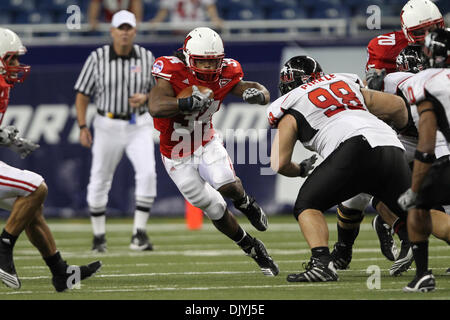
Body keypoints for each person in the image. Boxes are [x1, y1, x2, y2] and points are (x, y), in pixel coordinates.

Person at [268, 55, 411, 282]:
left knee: (308, 204)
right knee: (423, 215)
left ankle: (322, 264)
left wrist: (301, 170)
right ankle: (403, 232)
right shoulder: (345, 83)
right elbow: (397, 106)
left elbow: (278, 162)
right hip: (391, 144)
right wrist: (402, 131)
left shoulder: (291, 104)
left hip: (354, 147)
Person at [149, 27, 278, 276]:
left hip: (205, 141)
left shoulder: (228, 72)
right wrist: (183, 103)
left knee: (225, 182)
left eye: (213, 62)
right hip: (176, 154)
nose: (208, 67)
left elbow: (257, 89)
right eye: (202, 61)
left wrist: (259, 95)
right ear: (188, 57)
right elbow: (155, 105)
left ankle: (245, 203)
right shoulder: (170, 69)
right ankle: (251, 246)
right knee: (213, 207)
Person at [338, 0, 445, 272]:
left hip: (438, 131)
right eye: (421, 31)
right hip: (403, 131)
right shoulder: (385, 52)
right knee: (361, 183)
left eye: (434, 29)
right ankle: (344, 250)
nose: (428, 36)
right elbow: (373, 95)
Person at [0, 27, 101, 292]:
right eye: (11, 59)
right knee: (37, 187)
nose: (17, 65)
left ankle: (60, 272)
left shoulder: (3, 84)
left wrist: (7, 138)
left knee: (31, 209)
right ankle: (4, 247)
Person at [74, 10, 157, 253]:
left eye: (128, 28)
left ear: (134, 30)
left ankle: (139, 234)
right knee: (100, 177)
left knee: (148, 174)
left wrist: (147, 97)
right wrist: (82, 126)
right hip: (107, 123)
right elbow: (82, 94)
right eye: (120, 28)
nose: (124, 32)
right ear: (112, 31)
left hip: (138, 123)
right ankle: (99, 236)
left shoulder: (146, 56)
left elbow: (160, 91)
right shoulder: (97, 57)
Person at [397, 28, 450, 292]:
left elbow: (426, 142)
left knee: (417, 208)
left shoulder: (425, 81)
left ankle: (422, 275)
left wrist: (415, 188)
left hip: (445, 158)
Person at [149, 0, 223, 31]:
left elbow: (210, 6)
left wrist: (215, 18)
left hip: (198, 29)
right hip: (178, 29)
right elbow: (164, 9)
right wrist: (157, 20)